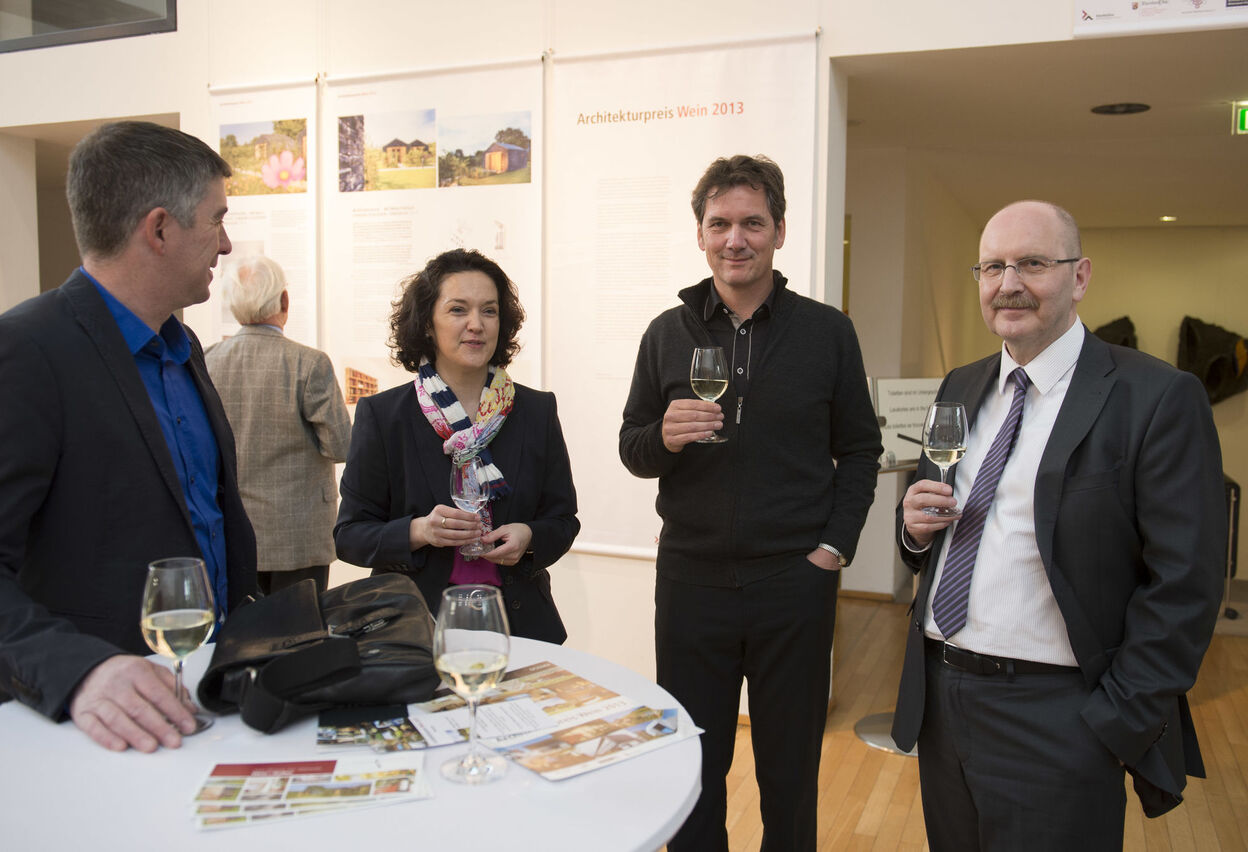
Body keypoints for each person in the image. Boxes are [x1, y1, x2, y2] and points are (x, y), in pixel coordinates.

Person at [892, 200, 1225, 850]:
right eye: (992, 267)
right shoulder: (961, 386)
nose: (1008, 283)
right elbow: (928, 529)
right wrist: (912, 530)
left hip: (1058, 715)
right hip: (942, 698)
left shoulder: (1155, 397)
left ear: (1079, 277)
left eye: (1032, 263)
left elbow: (1186, 584)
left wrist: (1111, 720)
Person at [0, 121, 258, 752]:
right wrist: (80, 671)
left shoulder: (184, 352)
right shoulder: (20, 353)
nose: (227, 244)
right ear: (159, 229)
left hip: (199, 707)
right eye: (216, 220)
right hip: (94, 729)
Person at [619, 154, 882, 851]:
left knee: (791, 771)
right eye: (720, 224)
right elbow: (632, 447)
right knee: (693, 768)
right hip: (690, 582)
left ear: (780, 231)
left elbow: (860, 450)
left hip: (792, 582)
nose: (736, 239)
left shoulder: (828, 332)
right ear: (701, 234)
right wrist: (663, 438)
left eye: (752, 223)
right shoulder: (665, 332)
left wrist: (833, 549)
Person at [334, 248, 578, 642]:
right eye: (458, 310)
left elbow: (564, 520)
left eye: (489, 311)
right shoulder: (384, 415)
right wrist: (419, 531)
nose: (476, 325)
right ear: (427, 324)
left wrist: (529, 538)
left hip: (520, 627)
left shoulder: (535, 409)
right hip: (414, 628)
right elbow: (350, 536)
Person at [206, 255, 352, 595]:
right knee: (300, 635)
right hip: (298, 534)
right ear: (284, 300)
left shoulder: (208, 360)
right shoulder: (309, 363)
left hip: (232, 532)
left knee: (246, 636)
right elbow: (342, 445)